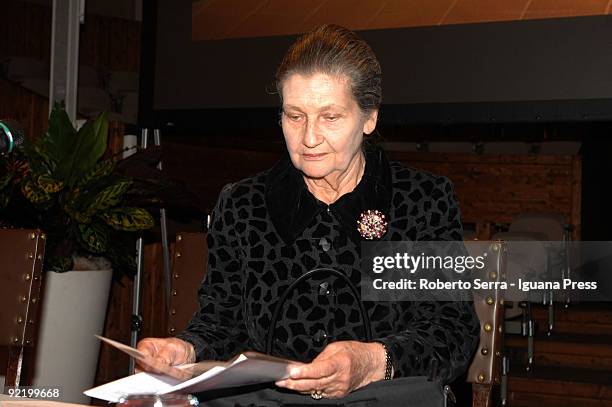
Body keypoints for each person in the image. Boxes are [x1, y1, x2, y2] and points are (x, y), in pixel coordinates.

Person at [138, 24, 479, 406]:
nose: (310, 138)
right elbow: (221, 321)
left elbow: (452, 332)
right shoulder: (244, 205)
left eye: (330, 117)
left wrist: (371, 361)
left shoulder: (419, 201)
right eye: (295, 116)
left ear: (369, 119)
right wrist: (185, 350)